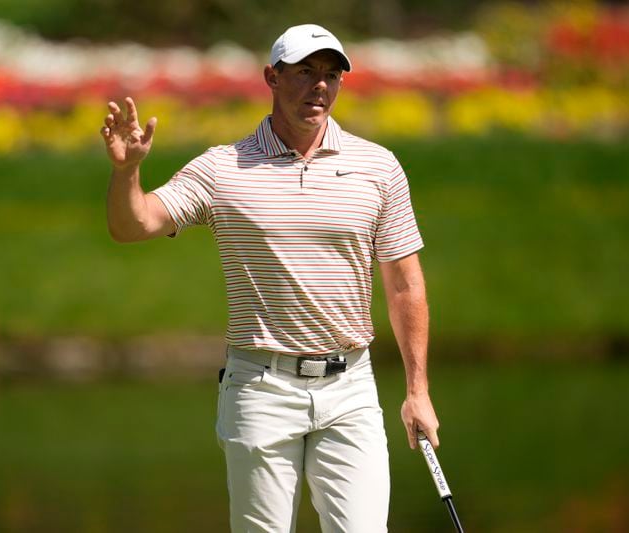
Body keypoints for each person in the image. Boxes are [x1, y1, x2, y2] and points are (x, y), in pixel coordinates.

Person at [101, 23, 439, 533]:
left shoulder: (378, 167)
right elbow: (135, 225)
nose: (319, 86)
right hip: (261, 388)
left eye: (331, 74)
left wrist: (418, 390)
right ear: (272, 78)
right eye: (305, 72)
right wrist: (127, 172)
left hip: (351, 389)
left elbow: (404, 284)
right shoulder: (223, 168)